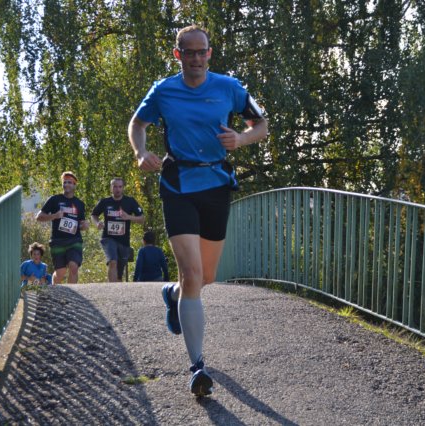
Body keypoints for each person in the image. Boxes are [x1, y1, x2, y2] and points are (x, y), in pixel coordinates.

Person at [128, 24, 268, 396]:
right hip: (178, 185)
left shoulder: (229, 87)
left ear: (209, 54)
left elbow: (262, 124)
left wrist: (241, 138)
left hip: (216, 185)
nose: (195, 58)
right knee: (192, 273)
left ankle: (174, 294)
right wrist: (141, 152)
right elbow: (137, 124)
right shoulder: (163, 91)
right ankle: (197, 367)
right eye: (187, 52)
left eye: (200, 52)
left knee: (205, 276)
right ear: (178, 55)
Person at [36, 171, 89, 284]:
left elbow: (81, 224)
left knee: (73, 267)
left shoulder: (79, 204)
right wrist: (54, 216)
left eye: (69, 182)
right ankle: (55, 290)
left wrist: (84, 226)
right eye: (64, 182)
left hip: (74, 241)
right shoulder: (54, 199)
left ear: (74, 185)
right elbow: (39, 217)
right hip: (57, 241)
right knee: (60, 272)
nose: (66, 184)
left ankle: (71, 293)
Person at [91, 178, 145, 282]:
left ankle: (117, 289)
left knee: (119, 274)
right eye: (115, 187)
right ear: (111, 188)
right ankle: (111, 289)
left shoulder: (130, 201)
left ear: (123, 188)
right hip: (108, 238)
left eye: (120, 187)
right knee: (112, 261)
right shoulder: (105, 202)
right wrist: (97, 223)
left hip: (124, 241)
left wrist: (129, 217)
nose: (118, 189)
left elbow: (142, 219)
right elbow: (94, 215)